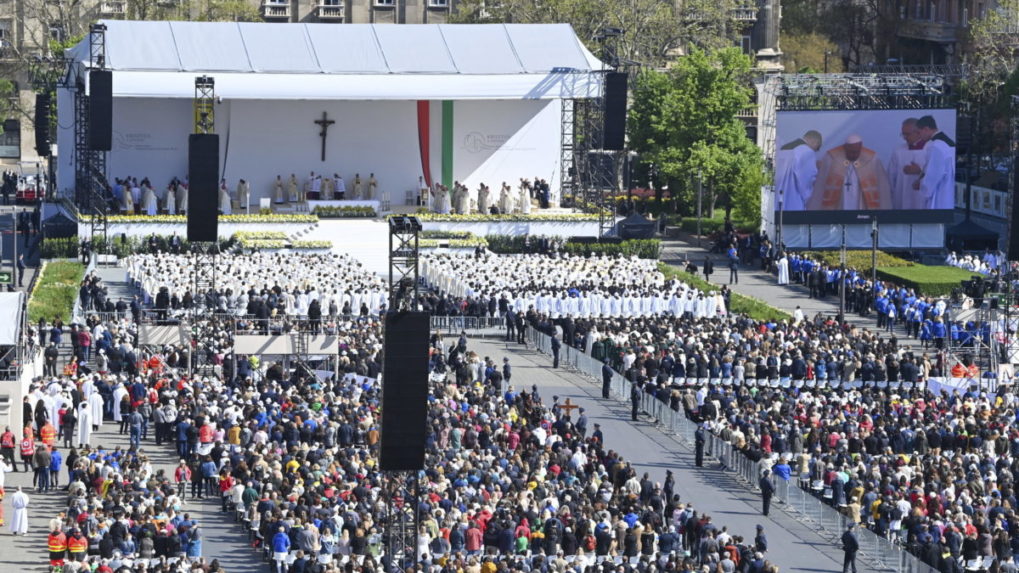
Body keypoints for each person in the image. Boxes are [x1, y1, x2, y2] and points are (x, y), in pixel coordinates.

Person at [807, 134, 892, 210]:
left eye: (857, 152)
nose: (854, 155)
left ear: (861, 147)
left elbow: (882, 186)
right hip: (839, 204)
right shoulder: (831, 157)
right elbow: (820, 185)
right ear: (845, 147)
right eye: (851, 152)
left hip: (861, 203)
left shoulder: (871, 159)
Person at [774, 130, 823, 211]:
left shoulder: (782, 148)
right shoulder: (807, 152)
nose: (815, 151)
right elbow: (807, 179)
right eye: (817, 148)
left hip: (778, 199)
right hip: (794, 200)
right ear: (815, 142)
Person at [914, 115, 956, 210]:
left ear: (926, 129)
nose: (919, 136)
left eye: (919, 132)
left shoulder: (936, 145)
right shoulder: (947, 142)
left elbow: (933, 175)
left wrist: (920, 184)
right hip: (948, 190)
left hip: (940, 194)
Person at [887, 118, 926, 209]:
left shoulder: (931, 150)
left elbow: (937, 175)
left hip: (922, 200)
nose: (905, 137)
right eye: (903, 134)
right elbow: (891, 177)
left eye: (907, 134)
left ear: (919, 132)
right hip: (901, 197)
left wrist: (920, 171)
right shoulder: (898, 151)